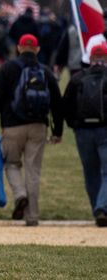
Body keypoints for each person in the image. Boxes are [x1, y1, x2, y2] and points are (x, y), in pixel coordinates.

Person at [0, 33, 63, 226]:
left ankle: (20, 194)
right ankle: (32, 216)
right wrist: (58, 130)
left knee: (11, 164)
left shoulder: (7, 69)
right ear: (37, 50)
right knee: (33, 171)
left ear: (18, 48)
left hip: (12, 126)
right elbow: (57, 103)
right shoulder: (45, 71)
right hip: (38, 127)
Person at [61, 40, 107, 226]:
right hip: (104, 130)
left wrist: (73, 125)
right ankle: (102, 207)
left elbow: (66, 105)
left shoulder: (78, 78)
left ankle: (97, 207)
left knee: (91, 173)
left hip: (83, 132)